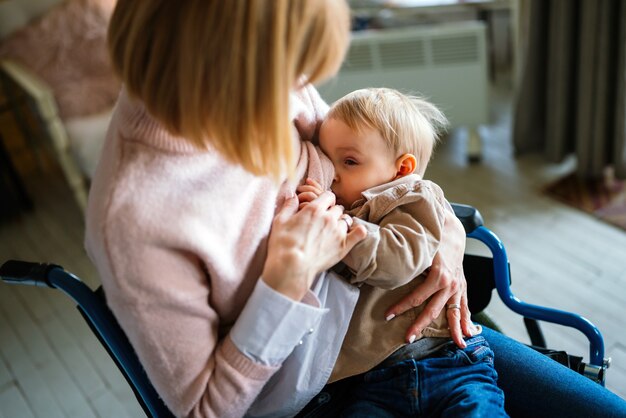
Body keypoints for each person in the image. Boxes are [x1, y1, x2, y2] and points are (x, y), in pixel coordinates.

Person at [84, 1, 626, 417]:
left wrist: (445, 244)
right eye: (289, 71)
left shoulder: (272, 83)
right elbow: (207, 410)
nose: (299, 90)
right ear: (224, 68)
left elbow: (392, 172)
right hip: (332, 384)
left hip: (427, 334)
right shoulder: (137, 219)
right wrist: (283, 282)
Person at [296, 88, 506, 417]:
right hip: (374, 380)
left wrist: (337, 227)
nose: (332, 174)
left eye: (349, 161)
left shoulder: (411, 196)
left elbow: (396, 262)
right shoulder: (350, 207)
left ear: (401, 169)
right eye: (327, 159)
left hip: (448, 362)